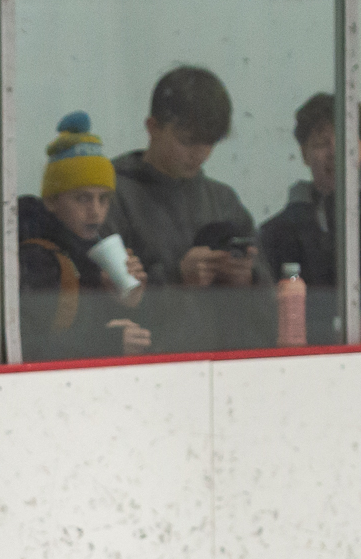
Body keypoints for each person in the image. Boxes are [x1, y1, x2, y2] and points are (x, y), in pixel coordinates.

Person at [107, 66, 270, 353]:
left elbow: (270, 313)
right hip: (146, 367)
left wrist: (246, 279)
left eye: (209, 143)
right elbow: (100, 307)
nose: (199, 154)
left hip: (221, 365)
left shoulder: (225, 202)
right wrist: (176, 277)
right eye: (187, 141)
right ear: (152, 127)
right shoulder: (109, 197)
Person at [17, 112, 150, 361]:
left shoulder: (90, 258)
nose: (95, 211)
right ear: (51, 201)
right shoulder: (36, 259)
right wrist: (106, 343)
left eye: (104, 199)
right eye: (82, 198)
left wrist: (127, 300)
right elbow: (26, 347)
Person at [260, 93, 339, 344]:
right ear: (304, 154)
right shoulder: (277, 233)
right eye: (322, 143)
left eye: (345, 140)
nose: (334, 152)